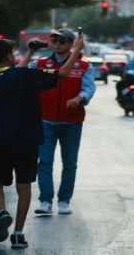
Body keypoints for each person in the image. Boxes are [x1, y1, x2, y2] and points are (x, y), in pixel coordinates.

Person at [0, 37, 81, 250]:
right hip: (27, 140)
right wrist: (75, 50)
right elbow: (62, 73)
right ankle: (19, 234)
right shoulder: (25, 75)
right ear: (8, 56)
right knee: (24, 186)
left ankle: (2, 212)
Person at [33, 27, 94, 216]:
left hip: (72, 121)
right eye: (55, 41)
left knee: (70, 163)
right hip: (45, 120)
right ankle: (45, 200)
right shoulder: (41, 63)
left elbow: (89, 88)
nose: (57, 45)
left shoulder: (84, 65)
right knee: (44, 161)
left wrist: (79, 99)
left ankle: (64, 200)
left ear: (71, 44)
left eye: (62, 42)